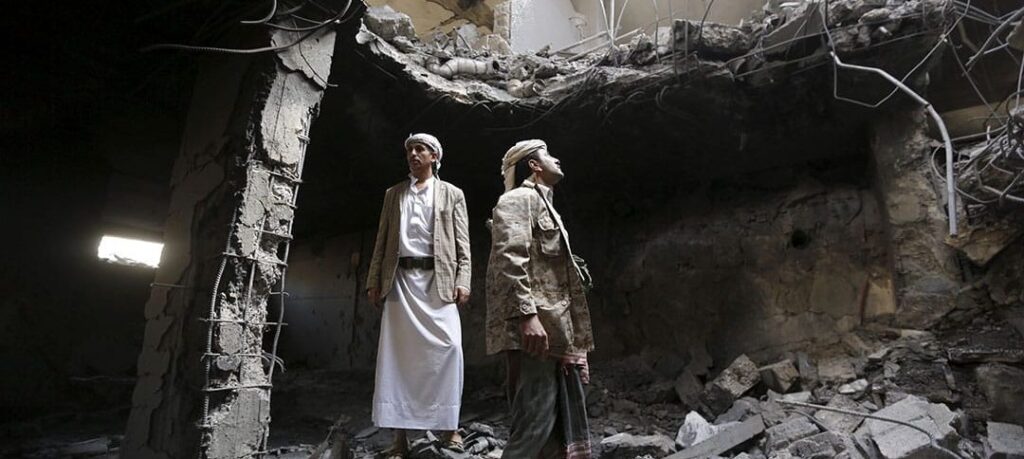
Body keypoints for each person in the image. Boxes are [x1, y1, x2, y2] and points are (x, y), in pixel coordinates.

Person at [486, 139, 595, 459]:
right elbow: (510, 257)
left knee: (551, 429)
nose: (557, 158)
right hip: (536, 331)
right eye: (548, 155)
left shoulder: (545, 203)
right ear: (533, 165)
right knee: (534, 422)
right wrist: (526, 316)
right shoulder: (518, 199)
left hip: (554, 327)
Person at [366, 133, 472, 458]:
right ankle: (400, 438)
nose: (413, 154)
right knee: (397, 359)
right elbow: (382, 239)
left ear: (434, 156)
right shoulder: (393, 194)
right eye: (410, 149)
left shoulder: (452, 194)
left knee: (450, 349)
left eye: (420, 149)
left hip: (437, 282)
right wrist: (373, 280)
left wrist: (463, 279)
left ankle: (449, 427)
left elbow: (462, 244)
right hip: (399, 283)